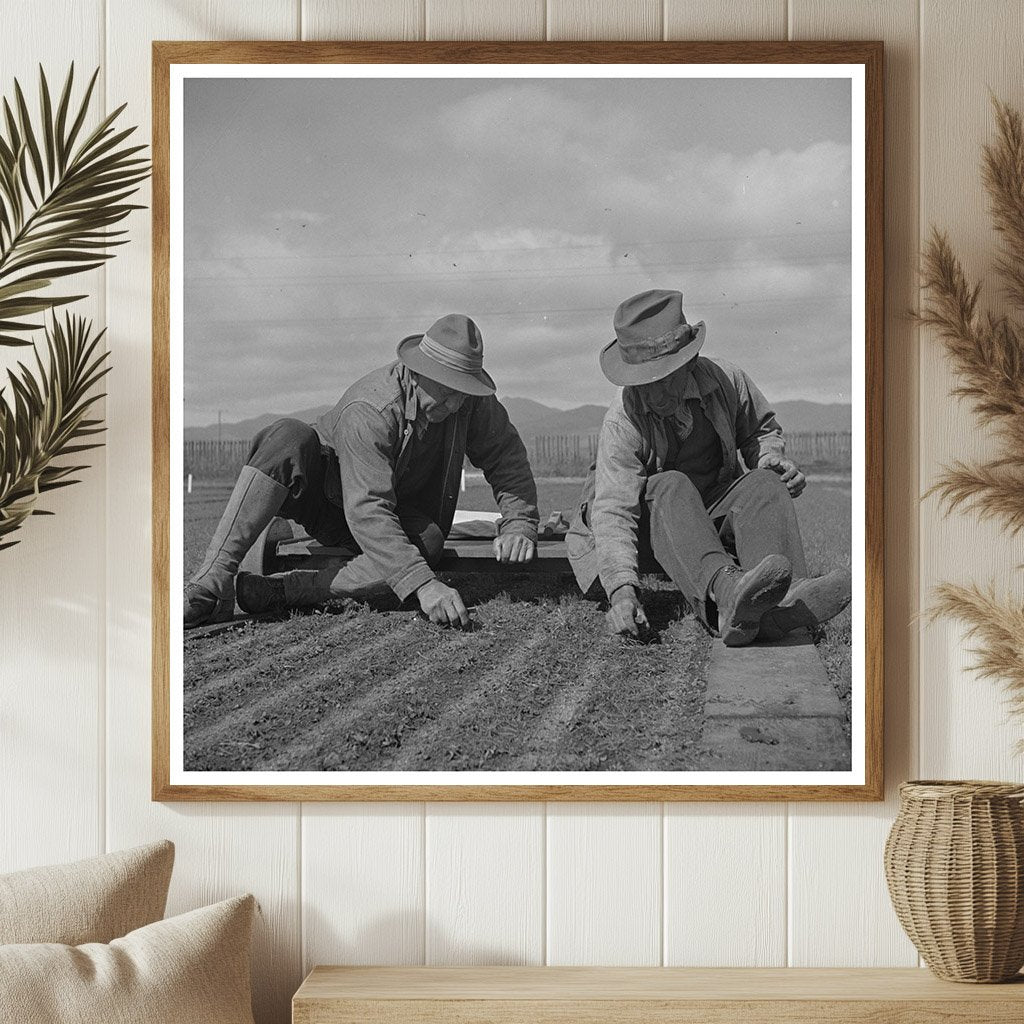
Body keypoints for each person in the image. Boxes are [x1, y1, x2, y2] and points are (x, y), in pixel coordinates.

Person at [184, 313, 539, 630]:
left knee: (427, 542)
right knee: (287, 438)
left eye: (463, 393)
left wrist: (519, 522)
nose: (455, 404)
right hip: (331, 500)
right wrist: (424, 584)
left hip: (392, 510)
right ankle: (212, 581)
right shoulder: (372, 408)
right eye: (447, 392)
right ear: (417, 374)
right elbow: (367, 507)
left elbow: (505, 455)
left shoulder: (468, 402)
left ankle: (282, 589)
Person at [566, 289, 851, 646]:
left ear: (689, 362)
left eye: (663, 377)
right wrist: (622, 590)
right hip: (648, 529)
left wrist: (770, 457)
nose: (652, 393)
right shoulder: (622, 421)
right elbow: (612, 511)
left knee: (762, 483)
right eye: (642, 382)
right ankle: (728, 595)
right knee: (670, 483)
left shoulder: (726, 379)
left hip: (705, 516)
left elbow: (761, 431)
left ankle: (784, 601)